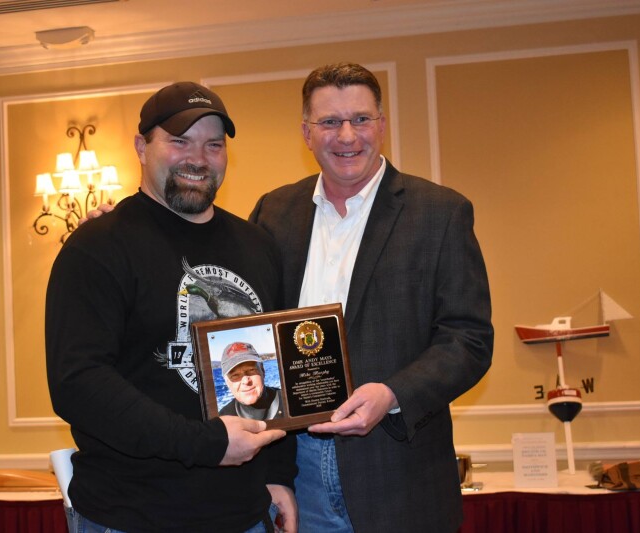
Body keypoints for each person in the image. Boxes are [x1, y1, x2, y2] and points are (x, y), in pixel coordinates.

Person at [249, 63, 494, 533]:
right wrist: (130, 230)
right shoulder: (272, 212)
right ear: (306, 133)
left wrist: (393, 394)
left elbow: (468, 340)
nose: (346, 135)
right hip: (296, 475)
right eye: (329, 122)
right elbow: (236, 306)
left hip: (399, 476)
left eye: (360, 119)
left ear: (381, 125)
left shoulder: (440, 213)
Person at [45, 81, 297, 533]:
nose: (198, 158)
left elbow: (273, 368)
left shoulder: (258, 246)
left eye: (213, 145)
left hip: (245, 516)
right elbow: (78, 384)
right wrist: (206, 443)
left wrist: (278, 477)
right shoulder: (98, 246)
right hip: (131, 516)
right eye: (179, 141)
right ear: (142, 146)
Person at [219, 341, 285, 420]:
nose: (246, 381)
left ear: (262, 370)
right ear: (227, 382)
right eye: (235, 375)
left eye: (251, 370)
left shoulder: (289, 401)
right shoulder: (223, 421)